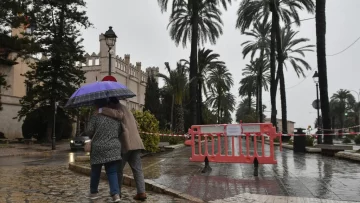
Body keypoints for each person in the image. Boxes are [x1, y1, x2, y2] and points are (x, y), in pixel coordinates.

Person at [100, 97, 147, 201]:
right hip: (136, 143)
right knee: (137, 169)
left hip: (125, 145)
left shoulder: (115, 111)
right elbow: (136, 125)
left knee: (118, 170)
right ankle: (141, 192)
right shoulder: (127, 109)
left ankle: (118, 193)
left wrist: (100, 109)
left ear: (111, 103)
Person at [86, 98, 122, 202]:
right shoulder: (115, 116)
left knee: (95, 171)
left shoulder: (95, 116)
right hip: (113, 147)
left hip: (98, 148)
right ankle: (115, 194)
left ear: (97, 105)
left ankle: (93, 193)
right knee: (112, 172)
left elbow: (89, 131)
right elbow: (119, 131)